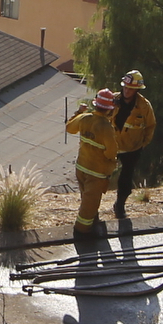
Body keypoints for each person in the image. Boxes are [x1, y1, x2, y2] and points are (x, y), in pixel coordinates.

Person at [65, 88, 123, 234]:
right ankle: (81, 230)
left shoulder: (85, 118)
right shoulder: (106, 127)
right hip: (96, 173)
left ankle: (93, 221)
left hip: (81, 167)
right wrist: (111, 164)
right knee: (90, 204)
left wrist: (79, 112)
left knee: (86, 199)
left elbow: (70, 128)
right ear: (110, 109)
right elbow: (111, 151)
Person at [108, 69, 157, 219]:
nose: (127, 91)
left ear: (136, 90)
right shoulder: (112, 100)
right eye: (125, 87)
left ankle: (120, 206)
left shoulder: (144, 106)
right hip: (112, 145)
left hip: (132, 148)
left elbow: (150, 126)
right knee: (101, 176)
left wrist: (142, 144)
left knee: (126, 179)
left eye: (130, 88)